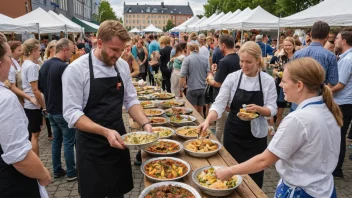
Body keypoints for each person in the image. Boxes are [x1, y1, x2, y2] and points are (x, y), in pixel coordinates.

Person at [215, 57, 341, 198]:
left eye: (284, 81)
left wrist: (230, 171)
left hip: (301, 192)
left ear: (299, 85)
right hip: (325, 190)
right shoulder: (328, 109)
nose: (281, 85)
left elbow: (264, 161)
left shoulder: (297, 119)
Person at [62, 20, 153, 198]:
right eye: (113, 50)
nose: (118, 55)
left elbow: (130, 99)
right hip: (91, 146)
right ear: (99, 42)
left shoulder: (121, 66)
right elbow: (72, 114)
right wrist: (104, 132)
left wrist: (145, 123)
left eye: (121, 50)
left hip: (119, 140)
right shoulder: (76, 70)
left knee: (117, 193)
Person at [199, 41, 277, 187]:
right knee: (231, 177)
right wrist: (208, 120)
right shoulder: (233, 78)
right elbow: (220, 104)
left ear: (258, 61)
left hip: (256, 139)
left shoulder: (267, 81)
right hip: (233, 134)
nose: (244, 65)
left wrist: (260, 109)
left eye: (248, 62)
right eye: (241, 61)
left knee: (253, 180)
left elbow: (272, 109)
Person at [0, 32, 51, 198]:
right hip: (12, 182)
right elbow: (19, 156)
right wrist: (43, 175)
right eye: (9, 56)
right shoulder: (5, 99)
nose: (12, 61)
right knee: (34, 135)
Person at [38, 38, 77, 181]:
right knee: (68, 142)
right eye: (71, 52)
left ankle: (57, 170)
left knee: (56, 141)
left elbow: (40, 88)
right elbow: (71, 89)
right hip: (63, 111)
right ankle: (72, 173)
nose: (71, 55)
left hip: (50, 110)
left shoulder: (44, 65)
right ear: (65, 50)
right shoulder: (64, 67)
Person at [206, 35, 241, 142]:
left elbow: (217, 83)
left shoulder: (224, 61)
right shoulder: (238, 58)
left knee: (220, 127)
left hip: (223, 99)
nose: (217, 47)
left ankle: (217, 145)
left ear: (223, 45)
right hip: (235, 97)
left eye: (219, 44)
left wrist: (210, 77)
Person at [331, 29, 352, 178]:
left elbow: (340, 84)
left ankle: (336, 170)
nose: (335, 41)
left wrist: (325, 91)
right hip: (346, 102)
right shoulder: (347, 57)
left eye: (337, 38)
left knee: (338, 136)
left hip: (343, 103)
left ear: (343, 41)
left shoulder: (346, 60)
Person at [294, 21, 338, 87]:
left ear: (311, 34)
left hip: (300, 93)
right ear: (327, 37)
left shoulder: (297, 54)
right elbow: (333, 82)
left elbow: (292, 78)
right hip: (320, 93)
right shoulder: (330, 56)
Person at [21, 38, 46, 156]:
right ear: (33, 51)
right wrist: (44, 106)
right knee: (35, 135)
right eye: (39, 50)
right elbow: (35, 90)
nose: (40, 53)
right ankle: (36, 161)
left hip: (29, 103)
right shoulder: (32, 66)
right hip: (33, 104)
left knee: (32, 134)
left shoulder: (25, 63)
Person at [180, 42, 209, 117]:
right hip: (203, 88)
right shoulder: (205, 59)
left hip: (192, 88)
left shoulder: (187, 59)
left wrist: (181, 89)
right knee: (201, 111)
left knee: (193, 112)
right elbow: (208, 73)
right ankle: (203, 127)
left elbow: (182, 75)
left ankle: (196, 128)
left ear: (188, 49)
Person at [273, 37, 295, 128]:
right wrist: (278, 73)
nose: (287, 47)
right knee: (279, 111)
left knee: (293, 110)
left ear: (294, 46)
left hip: (294, 86)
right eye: (285, 45)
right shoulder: (281, 57)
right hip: (281, 86)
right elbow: (274, 70)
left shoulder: (297, 57)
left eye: (289, 45)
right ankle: (278, 130)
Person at [7, 41, 37, 106]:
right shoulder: (11, 66)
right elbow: (12, 87)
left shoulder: (17, 62)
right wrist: (29, 97)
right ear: (11, 51)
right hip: (17, 98)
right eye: (19, 50)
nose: (22, 52)